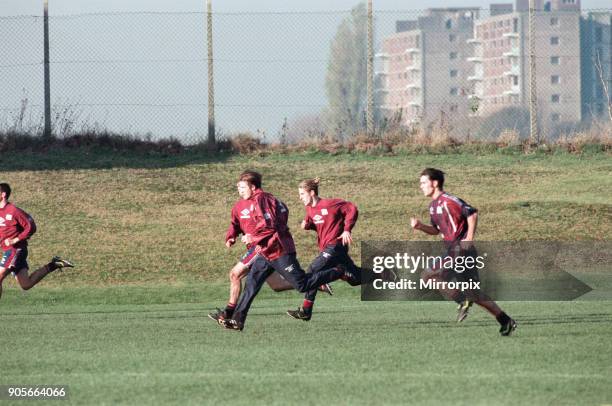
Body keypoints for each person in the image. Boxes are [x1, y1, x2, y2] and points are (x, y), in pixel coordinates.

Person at [220, 171, 351, 331]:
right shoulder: (263, 199)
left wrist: (253, 238)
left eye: (242, 187)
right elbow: (283, 211)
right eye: (238, 187)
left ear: (253, 187)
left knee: (302, 284)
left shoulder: (262, 199)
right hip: (265, 250)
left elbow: (270, 225)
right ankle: (237, 320)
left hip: (279, 249)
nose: (240, 191)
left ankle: (339, 271)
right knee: (251, 284)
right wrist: (236, 236)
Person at [410, 168, 517, 336]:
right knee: (475, 293)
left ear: (435, 183)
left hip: (460, 249)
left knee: (427, 275)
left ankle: (461, 300)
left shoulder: (449, 200)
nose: (421, 186)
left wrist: (469, 238)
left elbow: (472, 214)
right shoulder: (433, 206)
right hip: (456, 251)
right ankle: (505, 320)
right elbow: (436, 230)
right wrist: (420, 226)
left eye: (424, 182)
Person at [286, 178, 362, 321]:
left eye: (302, 194)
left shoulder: (330, 204)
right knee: (356, 279)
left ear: (312, 193)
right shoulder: (309, 209)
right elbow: (318, 224)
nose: (300, 197)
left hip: (335, 246)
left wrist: (347, 230)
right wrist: (307, 225)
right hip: (328, 249)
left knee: (313, 271)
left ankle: (306, 310)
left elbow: (352, 209)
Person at [0, 183, 73, 300]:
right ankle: (54, 264)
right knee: (26, 284)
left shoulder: (13, 210)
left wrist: (15, 239)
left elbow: (31, 226)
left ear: (3, 194)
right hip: (10, 251)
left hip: (16, 250)